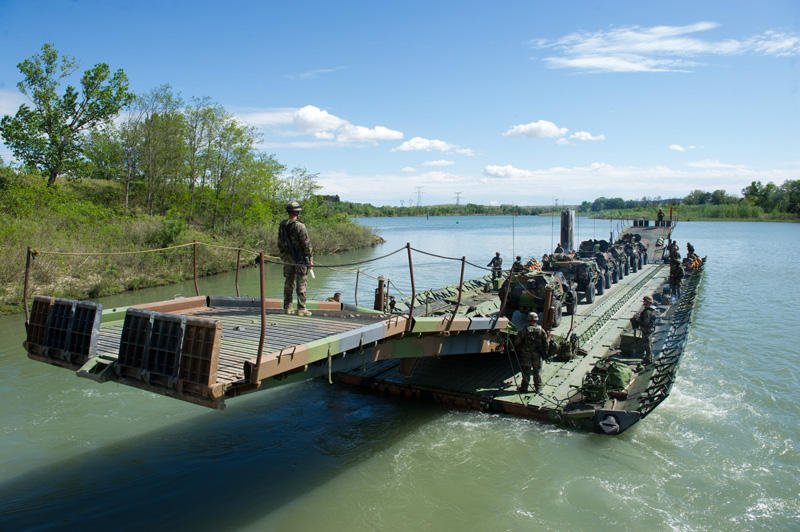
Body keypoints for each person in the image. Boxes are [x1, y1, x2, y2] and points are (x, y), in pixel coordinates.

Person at [277, 201, 313, 316]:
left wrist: (284, 255)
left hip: (287, 259)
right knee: (301, 283)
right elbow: (306, 244)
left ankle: (288, 307)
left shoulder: (282, 224)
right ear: (297, 212)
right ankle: (301, 309)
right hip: (300, 259)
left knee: (288, 283)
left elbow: (279, 243)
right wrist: (310, 258)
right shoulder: (300, 226)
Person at [514, 312, 549, 393]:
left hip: (526, 355)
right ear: (536, 320)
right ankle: (538, 388)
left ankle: (524, 388)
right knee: (537, 372)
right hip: (537, 355)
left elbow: (517, 342)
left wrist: (517, 348)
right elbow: (546, 343)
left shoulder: (524, 330)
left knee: (526, 371)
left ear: (528, 319)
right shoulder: (541, 330)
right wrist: (545, 353)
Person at [632, 295, 658, 365]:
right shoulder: (652, 309)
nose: (644, 303)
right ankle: (648, 357)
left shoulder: (647, 312)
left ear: (648, 302)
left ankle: (649, 359)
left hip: (646, 330)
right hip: (650, 329)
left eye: (645, 301)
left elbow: (645, 322)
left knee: (647, 345)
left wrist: (638, 319)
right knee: (648, 344)